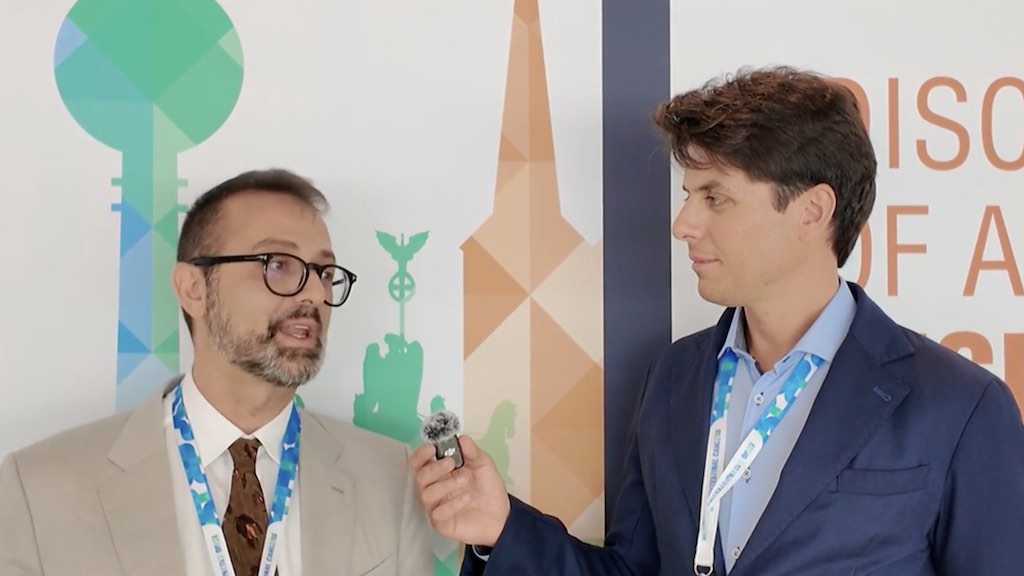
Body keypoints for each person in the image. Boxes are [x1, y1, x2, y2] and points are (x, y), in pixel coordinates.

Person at [412, 66, 1024, 575]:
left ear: (813, 211)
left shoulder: (961, 406)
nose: (683, 224)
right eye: (689, 195)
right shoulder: (675, 376)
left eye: (715, 196)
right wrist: (503, 529)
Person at [0, 169, 433, 575]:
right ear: (194, 289)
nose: (315, 294)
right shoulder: (41, 490)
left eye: (324, 272)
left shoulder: (390, 479)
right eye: (277, 264)